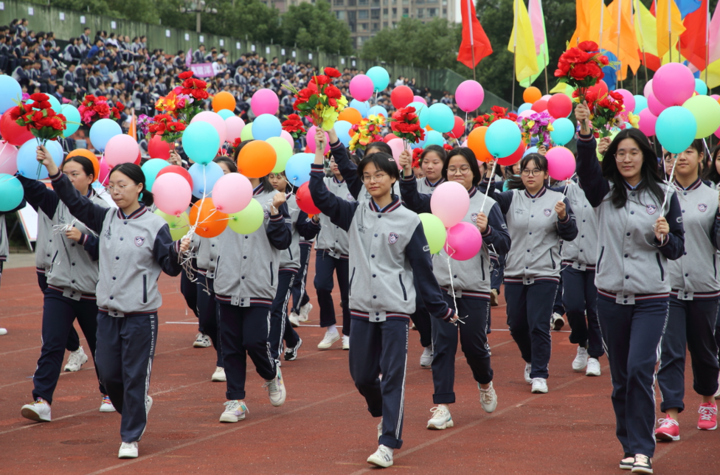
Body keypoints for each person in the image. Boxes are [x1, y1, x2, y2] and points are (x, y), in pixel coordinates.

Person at [308, 128, 456, 469]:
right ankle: (381, 413)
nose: (372, 181)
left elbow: (422, 271)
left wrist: (442, 310)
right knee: (362, 377)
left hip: (394, 312)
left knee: (392, 377)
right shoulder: (355, 213)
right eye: (367, 176)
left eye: (378, 175)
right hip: (360, 309)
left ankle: (388, 441)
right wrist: (320, 151)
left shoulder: (409, 221)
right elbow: (319, 195)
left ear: (392, 178)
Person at [35, 147, 190, 460]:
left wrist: (179, 250)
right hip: (106, 313)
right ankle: (135, 407)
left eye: (123, 185)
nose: (116, 191)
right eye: (112, 185)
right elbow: (73, 200)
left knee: (134, 376)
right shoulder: (104, 217)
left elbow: (170, 267)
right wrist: (54, 169)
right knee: (108, 375)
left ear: (139, 188)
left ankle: (130, 436)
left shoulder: (154, 225)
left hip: (140, 316)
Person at [575, 103, 684, 474]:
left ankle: (642, 449)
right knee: (621, 378)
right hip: (609, 298)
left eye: (633, 152)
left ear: (645, 155)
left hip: (651, 298)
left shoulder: (665, 195)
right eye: (620, 153)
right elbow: (587, 171)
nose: (626, 159)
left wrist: (665, 238)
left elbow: (676, 249)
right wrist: (586, 134)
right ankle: (627, 443)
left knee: (640, 368)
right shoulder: (603, 192)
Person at [399, 146, 510, 429]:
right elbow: (411, 200)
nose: (458, 173)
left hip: (474, 288)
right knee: (443, 348)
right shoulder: (437, 200)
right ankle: (443, 406)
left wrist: (487, 231)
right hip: (442, 288)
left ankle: (484, 382)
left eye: (464, 168)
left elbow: (504, 244)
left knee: (474, 348)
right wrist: (409, 173)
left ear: (476, 172)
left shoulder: (488, 204)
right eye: (452, 169)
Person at [17, 155, 114, 422]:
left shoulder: (102, 209)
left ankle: (110, 393)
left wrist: (86, 240)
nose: (69, 179)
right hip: (58, 287)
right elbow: (27, 183)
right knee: (52, 345)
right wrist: (20, 154)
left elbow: (112, 251)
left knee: (101, 347)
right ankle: (42, 401)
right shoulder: (54, 201)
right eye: (65, 173)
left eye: (75, 174)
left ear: (91, 178)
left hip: (92, 292)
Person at [483, 153, 578, 394]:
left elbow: (570, 233)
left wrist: (563, 217)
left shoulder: (559, 198)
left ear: (546, 174)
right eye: (526, 170)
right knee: (515, 325)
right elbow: (486, 200)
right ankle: (530, 358)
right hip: (514, 271)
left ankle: (539, 373)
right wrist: (485, 178)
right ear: (520, 173)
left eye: (536, 171)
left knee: (538, 324)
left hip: (544, 272)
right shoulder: (510, 198)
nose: (531, 175)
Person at [214, 141, 292, 424]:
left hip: (259, 280)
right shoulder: (221, 195)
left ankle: (271, 373)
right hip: (227, 280)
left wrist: (275, 213)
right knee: (231, 344)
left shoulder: (276, 198)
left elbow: (282, 241)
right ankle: (235, 400)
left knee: (255, 341)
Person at [654, 140, 720, 441]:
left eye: (687, 152)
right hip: (668, 288)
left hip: (705, 287)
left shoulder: (714, 196)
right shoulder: (659, 196)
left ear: (701, 157)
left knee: (704, 352)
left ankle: (707, 401)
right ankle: (670, 415)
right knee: (671, 351)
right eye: (671, 154)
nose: (679, 158)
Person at [561, 142, 605, 377]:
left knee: (595, 310)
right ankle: (581, 343)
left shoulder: (604, 189)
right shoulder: (567, 189)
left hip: (597, 261)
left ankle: (594, 355)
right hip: (571, 260)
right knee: (574, 307)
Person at [267, 170, 319, 362]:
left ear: (289, 178)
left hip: (287, 263)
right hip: (264, 262)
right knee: (272, 309)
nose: (274, 180)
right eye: (271, 176)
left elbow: (305, 230)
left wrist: (315, 218)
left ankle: (273, 353)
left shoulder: (298, 200)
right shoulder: (261, 199)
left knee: (276, 307)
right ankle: (293, 339)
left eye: (279, 176)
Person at [194, 156, 236, 383]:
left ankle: (224, 361)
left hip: (227, 271)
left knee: (224, 321)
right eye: (215, 172)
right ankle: (226, 353)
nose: (219, 177)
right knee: (207, 321)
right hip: (203, 270)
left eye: (224, 172)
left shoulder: (238, 201)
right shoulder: (203, 199)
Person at [313, 143, 355, 350]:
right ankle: (331, 329)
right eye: (332, 160)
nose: (335, 163)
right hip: (325, 245)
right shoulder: (325, 182)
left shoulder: (356, 186)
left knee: (348, 295)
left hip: (349, 248)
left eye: (339, 160)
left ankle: (348, 332)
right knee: (321, 286)